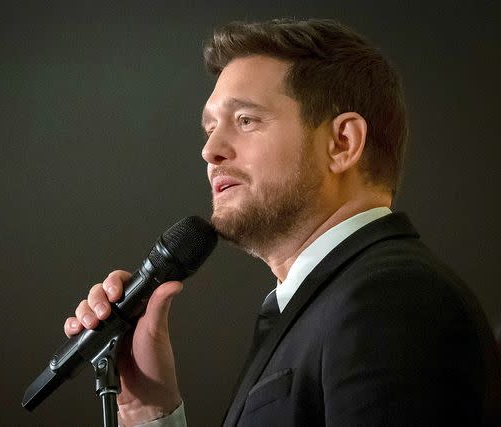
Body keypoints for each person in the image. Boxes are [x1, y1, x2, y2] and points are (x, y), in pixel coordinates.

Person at [63, 19, 501, 426]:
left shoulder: (395, 301)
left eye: (245, 120)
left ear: (342, 143)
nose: (210, 150)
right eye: (209, 128)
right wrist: (151, 410)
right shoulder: (322, 305)